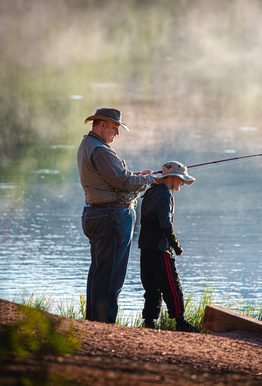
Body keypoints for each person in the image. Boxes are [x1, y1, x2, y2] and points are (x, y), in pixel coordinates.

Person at [77, 107, 155, 323]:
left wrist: (138, 176)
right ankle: (103, 326)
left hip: (97, 213)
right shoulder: (101, 151)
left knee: (99, 273)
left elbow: (116, 179)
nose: (117, 134)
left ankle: (93, 324)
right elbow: (123, 182)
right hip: (111, 216)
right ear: (102, 125)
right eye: (115, 128)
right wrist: (151, 179)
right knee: (110, 276)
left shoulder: (87, 144)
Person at [138, 161, 199, 332]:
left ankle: (149, 322)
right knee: (172, 284)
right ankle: (181, 322)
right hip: (159, 247)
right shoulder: (165, 194)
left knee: (151, 287)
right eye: (181, 180)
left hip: (145, 247)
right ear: (171, 178)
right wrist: (176, 246)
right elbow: (166, 223)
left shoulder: (151, 192)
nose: (182, 184)